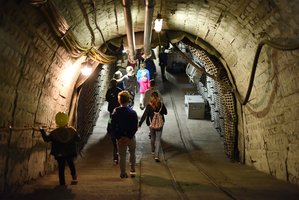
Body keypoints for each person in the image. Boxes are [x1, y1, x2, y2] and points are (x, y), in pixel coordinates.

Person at [39, 112, 80, 186]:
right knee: (71, 163)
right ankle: (74, 178)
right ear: (66, 120)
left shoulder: (54, 132)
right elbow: (78, 139)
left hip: (59, 152)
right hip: (70, 152)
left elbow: (46, 139)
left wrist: (42, 131)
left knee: (61, 167)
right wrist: (76, 133)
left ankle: (62, 183)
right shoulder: (71, 130)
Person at [111, 90, 138, 178]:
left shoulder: (115, 112)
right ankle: (132, 169)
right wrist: (129, 136)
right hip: (130, 137)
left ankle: (123, 173)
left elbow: (113, 126)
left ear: (119, 100)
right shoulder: (132, 113)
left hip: (120, 138)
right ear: (128, 100)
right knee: (132, 153)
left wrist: (118, 137)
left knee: (122, 155)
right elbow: (135, 127)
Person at [139, 91, 167, 162]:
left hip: (152, 124)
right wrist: (160, 111)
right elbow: (166, 112)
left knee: (152, 138)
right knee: (158, 140)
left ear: (151, 97)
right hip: (160, 125)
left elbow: (144, 115)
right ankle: (156, 156)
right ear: (157, 97)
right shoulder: (161, 104)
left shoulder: (149, 105)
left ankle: (152, 150)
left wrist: (140, 123)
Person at [105, 78, 123, 164]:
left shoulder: (109, 90)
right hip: (117, 107)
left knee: (111, 118)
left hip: (111, 107)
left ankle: (110, 127)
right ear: (116, 83)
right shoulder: (119, 90)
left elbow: (107, 98)